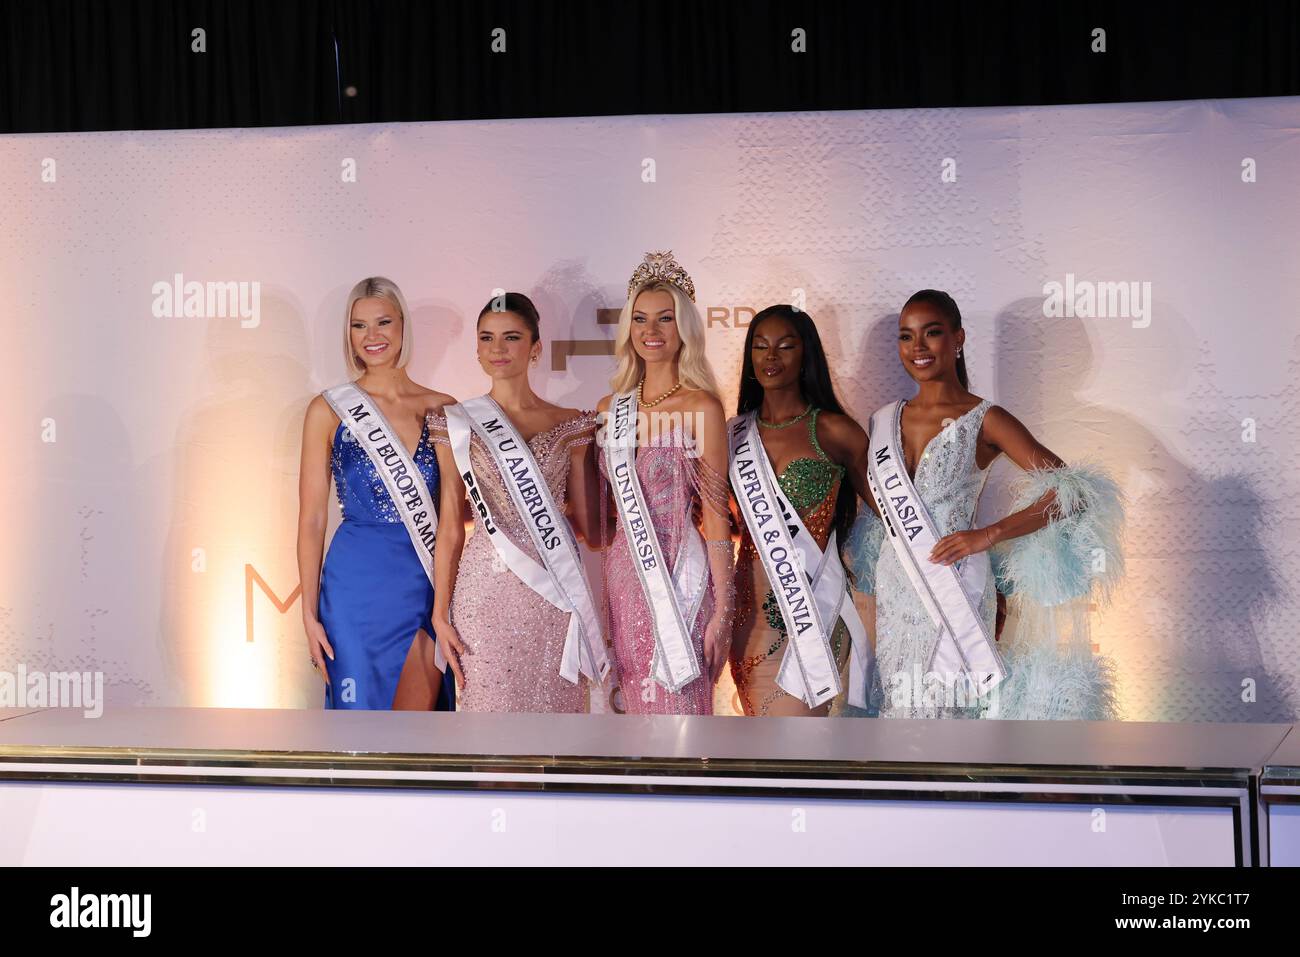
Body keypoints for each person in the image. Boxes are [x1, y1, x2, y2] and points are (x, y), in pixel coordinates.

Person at [846, 289, 1122, 719]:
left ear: (958, 338)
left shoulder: (985, 417)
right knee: (902, 709)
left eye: (931, 333)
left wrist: (988, 535)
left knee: (952, 709)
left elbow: (1074, 490)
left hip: (955, 583)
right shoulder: (883, 420)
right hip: (897, 588)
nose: (917, 347)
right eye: (906, 336)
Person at [428, 292, 609, 712]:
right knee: (489, 728)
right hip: (483, 591)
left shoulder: (571, 424)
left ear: (536, 348)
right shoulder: (455, 422)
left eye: (511, 337)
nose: (498, 349)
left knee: (555, 731)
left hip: (556, 591)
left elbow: (592, 530)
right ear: (476, 349)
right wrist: (440, 612)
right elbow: (451, 525)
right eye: (487, 338)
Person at [297, 277, 455, 710]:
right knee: (360, 724)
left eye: (384, 322)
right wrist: (308, 614)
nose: (373, 337)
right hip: (354, 587)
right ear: (347, 335)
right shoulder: (327, 409)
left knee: (419, 729)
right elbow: (311, 520)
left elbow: (455, 518)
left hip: (425, 582)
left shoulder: (444, 407)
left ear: (403, 326)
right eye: (359, 326)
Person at [594, 251, 735, 715]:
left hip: (680, 576)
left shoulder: (702, 407)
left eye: (665, 319)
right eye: (639, 319)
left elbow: (717, 518)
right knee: (636, 717)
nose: (650, 331)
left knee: (682, 714)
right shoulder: (607, 409)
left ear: (685, 329)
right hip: (622, 575)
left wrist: (723, 610)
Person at [727, 305, 873, 716]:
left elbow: (886, 515)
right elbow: (719, 522)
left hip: (812, 613)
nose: (771, 356)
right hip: (747, 616)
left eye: (785, 346)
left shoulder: (834, 430)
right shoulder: (733, 434)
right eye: (760, 346)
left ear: (806, 354)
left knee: (795, 758)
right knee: (758, 763)